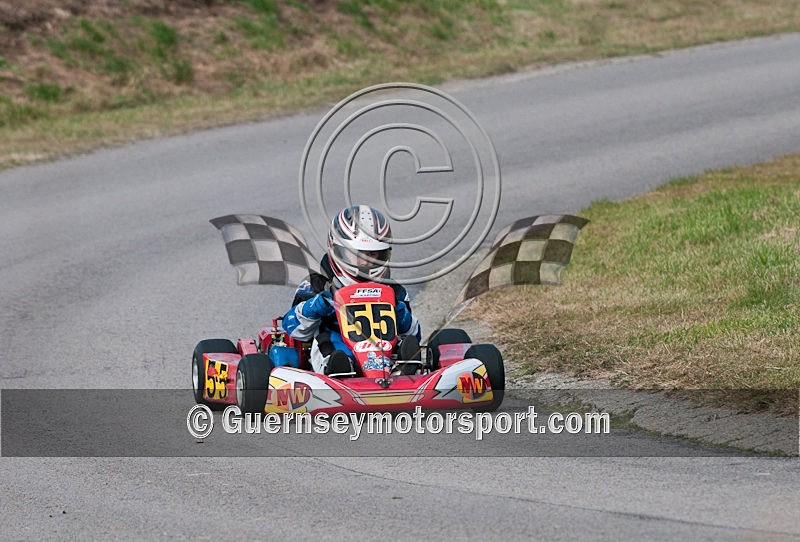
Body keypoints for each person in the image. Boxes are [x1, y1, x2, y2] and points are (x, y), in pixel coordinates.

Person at [282, 205, 421, 375]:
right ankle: (337, 371)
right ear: (337, 248)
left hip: (384, 349)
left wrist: (401, 314)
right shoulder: (317, 283)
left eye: (373, 255)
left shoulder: (393, 290)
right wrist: (316, 305)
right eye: (358, 254)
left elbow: (414, 333)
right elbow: (292, 328)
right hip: (338, 343)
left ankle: (404, 373)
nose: (365, 262)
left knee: (404, 345)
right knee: (326, 342)